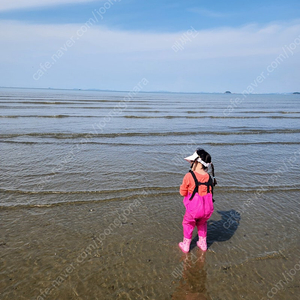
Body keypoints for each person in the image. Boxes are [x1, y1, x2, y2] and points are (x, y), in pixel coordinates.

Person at [178, 148, 216, 253]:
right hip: (207, 209)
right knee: (202, 224)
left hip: (193, 209)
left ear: (197, 163)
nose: (190, 164)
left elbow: (182, 193)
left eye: (191, 162)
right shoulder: (209, 177)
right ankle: (203, 244)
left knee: (188, 224)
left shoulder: (189, 176)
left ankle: (186, 245)